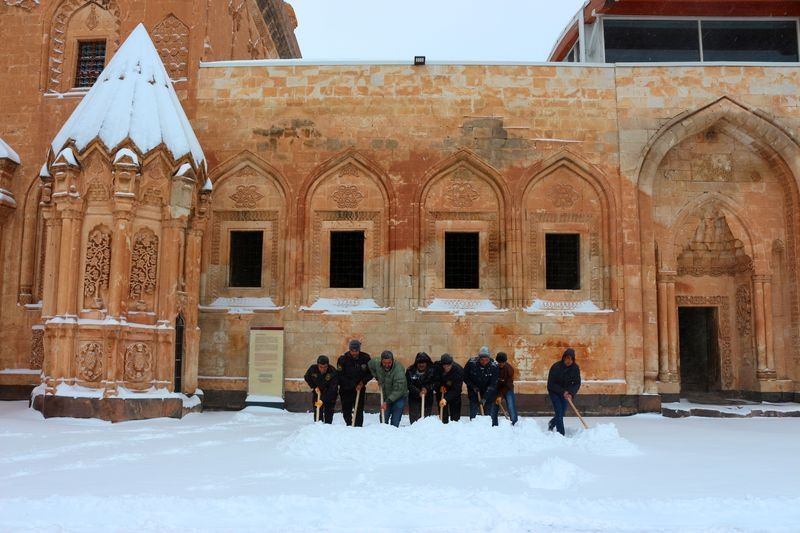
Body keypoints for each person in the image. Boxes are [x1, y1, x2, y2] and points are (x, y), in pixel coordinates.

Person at [367, 350, 408, 427]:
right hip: (386, 395)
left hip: (399, 397)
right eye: (384, 363)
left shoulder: (398, 370)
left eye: (389, 363)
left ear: (392, 360)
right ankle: (383, 436)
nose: (386, 365)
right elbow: (370, 365)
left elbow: (399, 390)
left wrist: (387, 402)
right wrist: (377, 377)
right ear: (381, 361)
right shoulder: (376, 362)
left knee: (395, 422)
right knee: (383, 419)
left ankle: (393, 435)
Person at [336, 339, 372, 426]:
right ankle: (349, 425)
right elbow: (340, 375)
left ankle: (358, 427)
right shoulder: (343, 359)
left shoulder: (365, 358)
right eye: (352, 351)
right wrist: (352, 384)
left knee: (359, 409)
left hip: (359, 389)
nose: (354, 353)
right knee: (346, 410)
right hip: (346, 389)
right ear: (349, 349)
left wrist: (362, 382)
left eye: (356, 351)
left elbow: (370, 373)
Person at [547, 347, 582, 435]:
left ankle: (552, 423)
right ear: (563, 358)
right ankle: (561, 434)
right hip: (554, 392)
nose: (568, 361)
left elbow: (577, 383)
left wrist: (571, 393)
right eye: (567, 358)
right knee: (559, 411)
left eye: (570, 359)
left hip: (566, 393)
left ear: (573, 360)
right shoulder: (556, 367)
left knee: (562, 413)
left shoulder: (575, 368)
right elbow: (551, 384)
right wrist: (563, 391)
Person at [463, 346, 499, 419]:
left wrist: (485, 398)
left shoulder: (494, 366)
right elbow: (465, 377)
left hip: (489, 394)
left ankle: (487, 429)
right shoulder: (471, 363)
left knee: (488, 416)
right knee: (473, 415)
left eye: (486, 360)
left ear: (489, 358)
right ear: (479, 358)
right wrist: (473, 386)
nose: (484, 362)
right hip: (474, 392)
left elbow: (493, 384)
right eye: (482, 360)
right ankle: (473, 427)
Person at [303, 355, 338, 424]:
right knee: (318, 412)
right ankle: (318, 428)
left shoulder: (332, 371)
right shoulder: (313, 369)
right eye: (321, 367)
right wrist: (314, 387)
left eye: (325, 367)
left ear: (328, 365)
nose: (323, 369)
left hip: (330, 395)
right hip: (317, 393)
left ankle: (328, 428)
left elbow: (332, 388)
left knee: (329, 413)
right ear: (318, 365)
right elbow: (307, 377)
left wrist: (322, 400)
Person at [406, 352, 438, 424]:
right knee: (414, 419)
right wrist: (418, 392)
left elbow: (435, 383)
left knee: (425, 419)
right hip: (414, 398)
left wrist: (427, 388)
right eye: (419, 363)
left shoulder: (432, 371)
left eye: (423, 363)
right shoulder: (410, 371)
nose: (421, 365)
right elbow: (408, 384)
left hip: (427, 399)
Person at [490, 352, 518, 426]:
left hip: (507, 388)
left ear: (505, 362)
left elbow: (507, 385)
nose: (501, 364)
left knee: (511, 405)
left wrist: (500, 396)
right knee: (494, 406)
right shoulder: (493, 367)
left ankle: (514, 423)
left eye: (503, 363)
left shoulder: (509, 369)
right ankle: (494, 424)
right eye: (499, 363)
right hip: (496, 389)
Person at [434, 353, 463, 424]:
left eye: (448, 366)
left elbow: (457, 389)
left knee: (455, 418)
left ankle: (454, 431)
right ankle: (443, 430)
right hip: (441, 393)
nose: (446, 368)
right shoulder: (437, 367)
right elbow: (435, 380)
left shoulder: (458, 370)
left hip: (454, 395)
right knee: (443, 416)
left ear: (452, 364)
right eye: (444, 365)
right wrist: (439, 386)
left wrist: (445, 399)